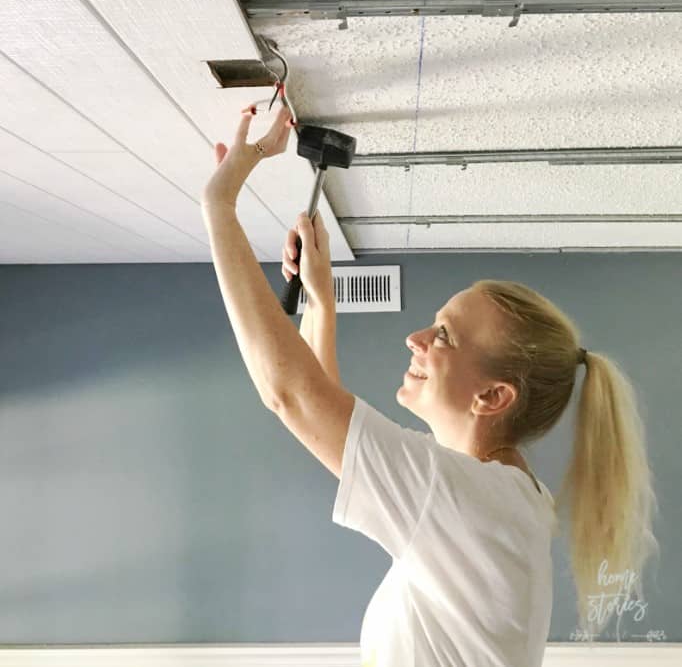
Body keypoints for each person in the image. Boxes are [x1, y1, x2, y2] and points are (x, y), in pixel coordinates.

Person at [203, 101, 660, 665]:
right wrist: (322, 302)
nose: (415, 337)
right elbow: (314, 406)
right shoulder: (490, 499)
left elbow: (294, 396)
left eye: (444, 334)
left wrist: (221, 206)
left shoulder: (476, 503)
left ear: (492, 397)